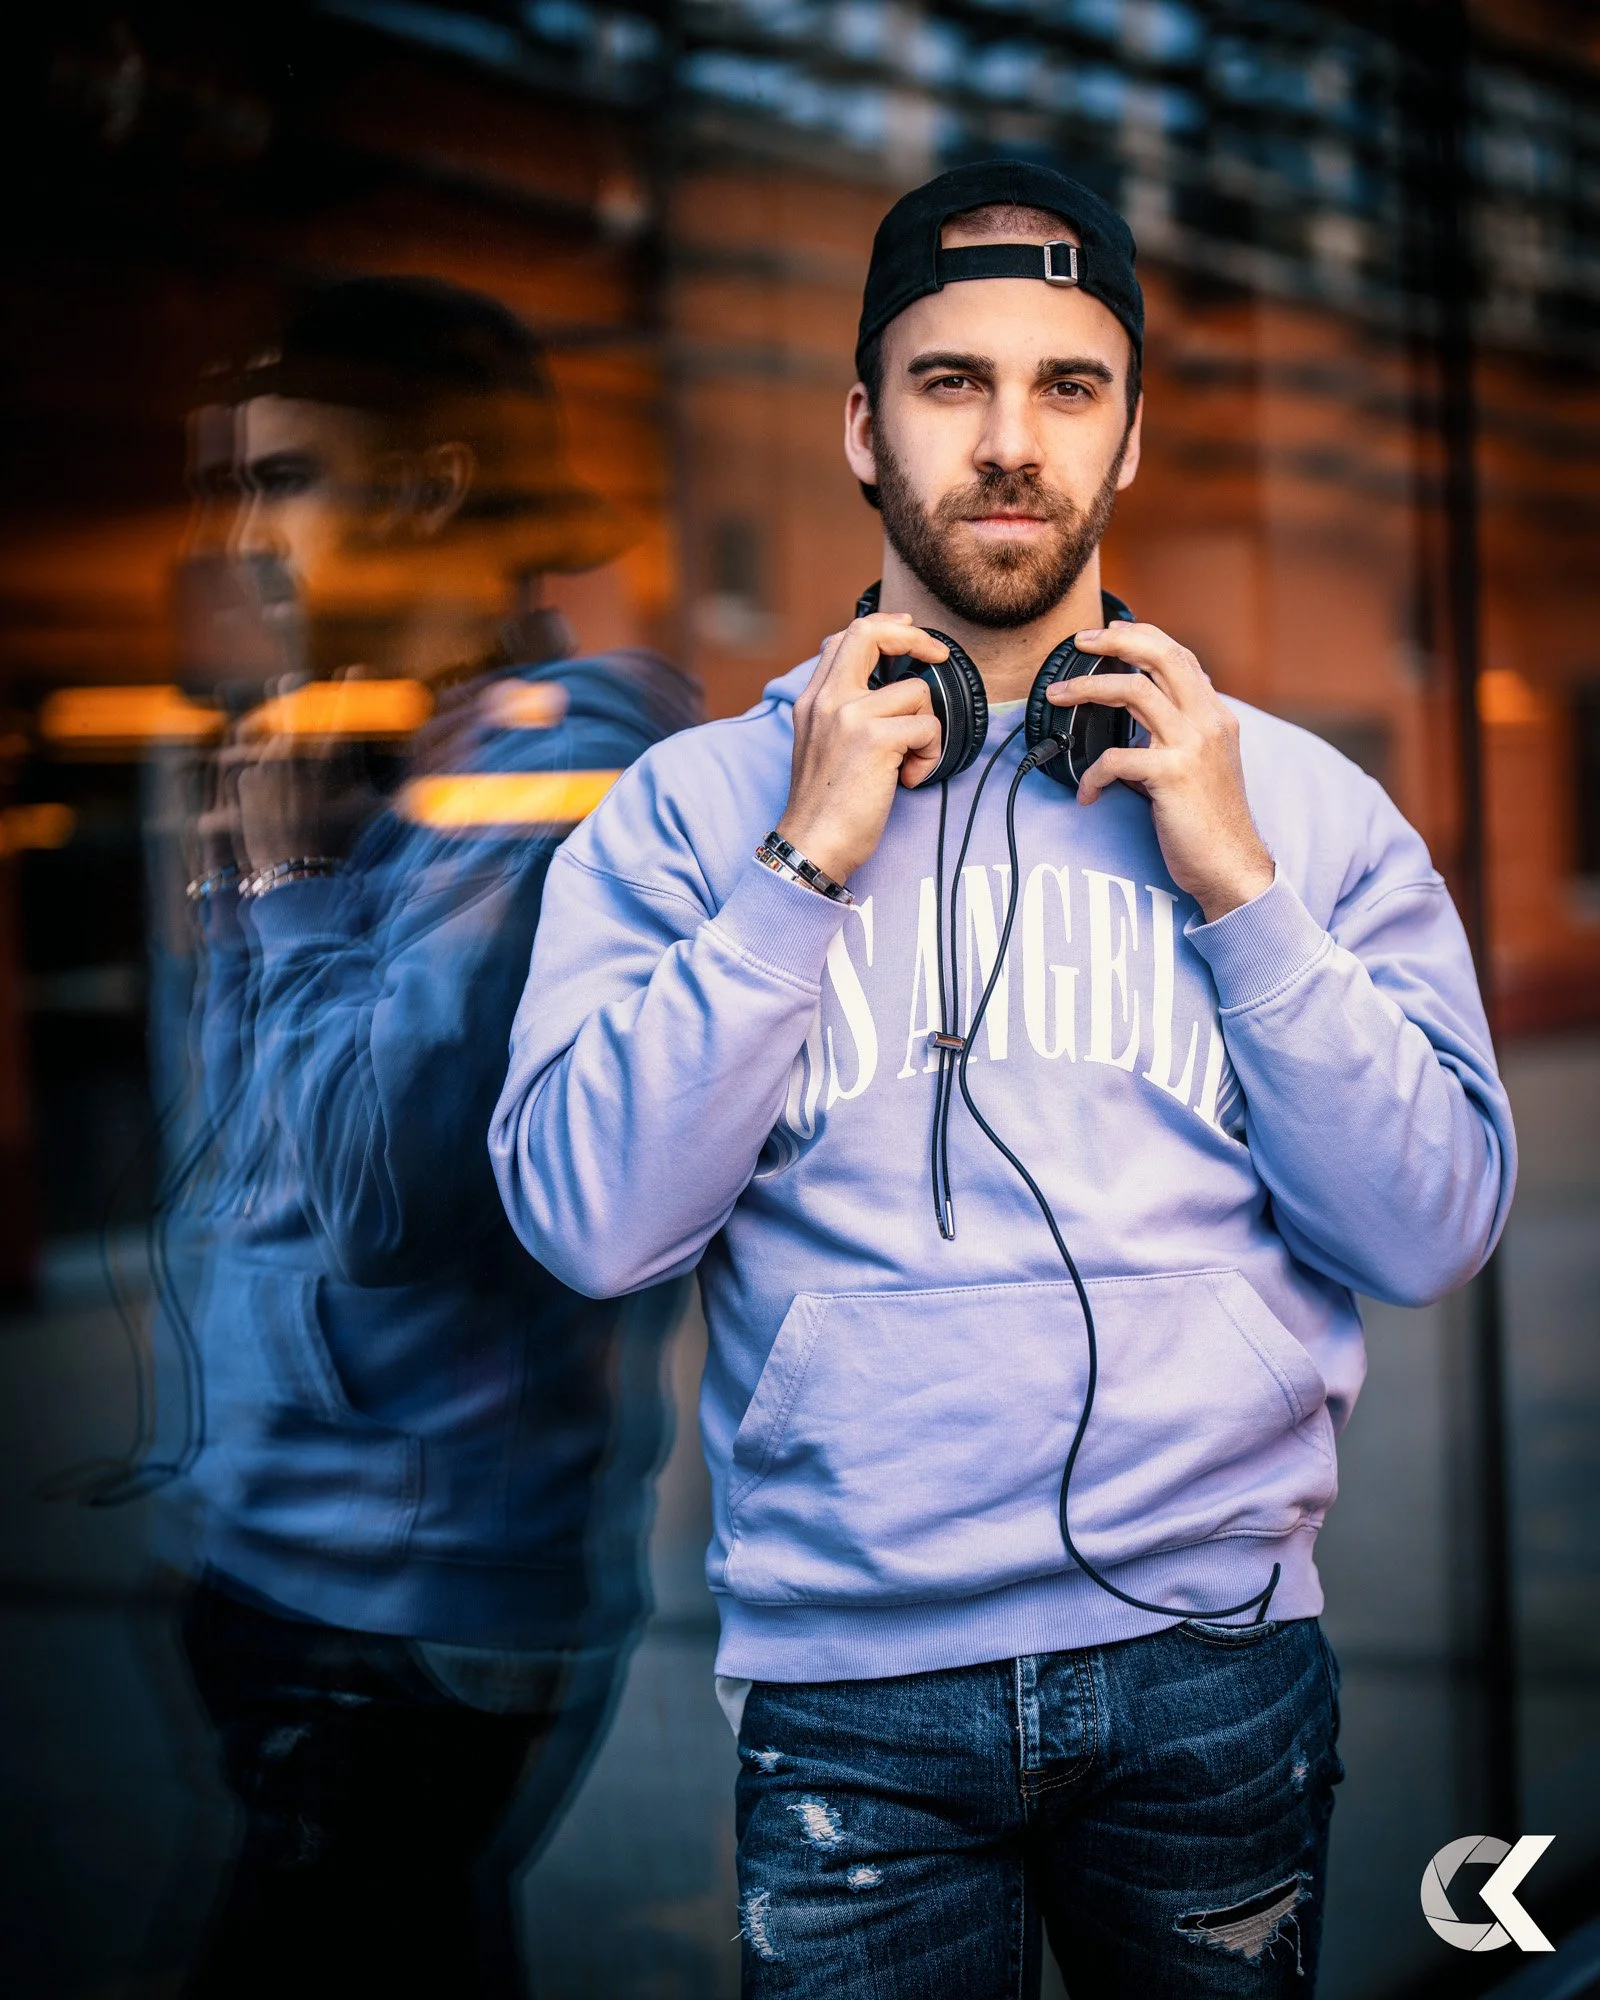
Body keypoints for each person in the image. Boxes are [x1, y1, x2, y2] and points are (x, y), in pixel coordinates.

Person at [490, 163, 1516, 1997]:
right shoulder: (692, 816)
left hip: (1216, 1668)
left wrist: (1243, 894)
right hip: (848, 1705)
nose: (1012, 442)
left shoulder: (1297, 809)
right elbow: (586, 1226)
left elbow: (1430, 1228)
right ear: (863, 432)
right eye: (952, 382)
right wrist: (797, 873)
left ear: (1130, 443)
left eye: (1069, 385)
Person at [173, 278, 702, 1998]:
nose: (246, 531)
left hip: (405, 1599)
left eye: (288, 480)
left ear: (427, 491)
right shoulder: (370, 764)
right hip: (299, 1559)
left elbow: (390, 1194)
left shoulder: (555, 779)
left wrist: (292, 893)